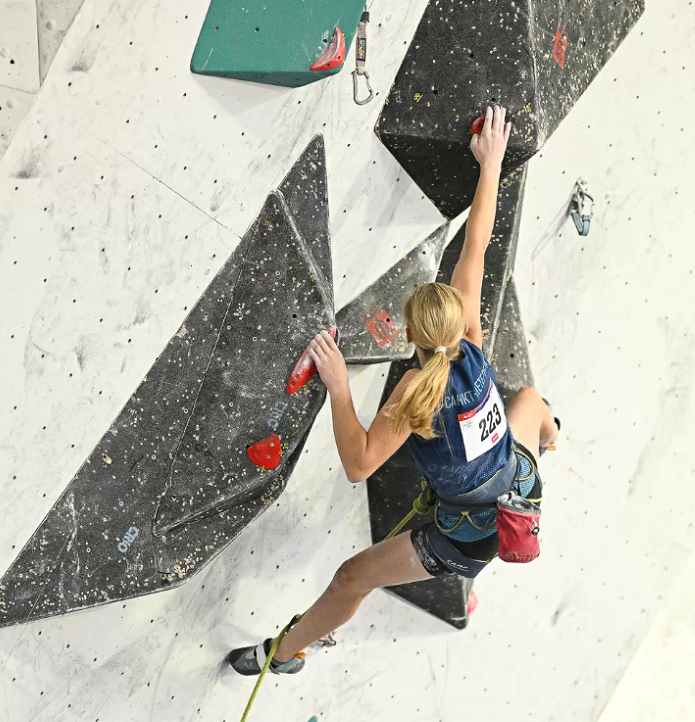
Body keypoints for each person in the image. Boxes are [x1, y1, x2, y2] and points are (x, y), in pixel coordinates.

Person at [228, 106, 560, 676]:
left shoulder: (414, 395)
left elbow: (359, 464)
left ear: (409, 336)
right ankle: (551, 439)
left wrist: (338, 386)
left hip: (467, 538)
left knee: (349, 580)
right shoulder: (473, 343)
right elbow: (475, 250)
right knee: (530, 403)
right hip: (517, 483)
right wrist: (491, 165)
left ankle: (280, 655)